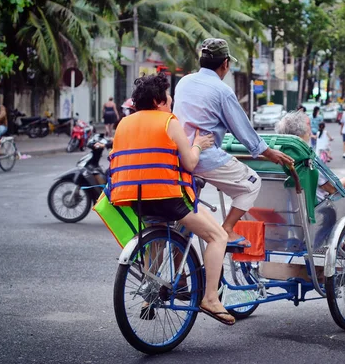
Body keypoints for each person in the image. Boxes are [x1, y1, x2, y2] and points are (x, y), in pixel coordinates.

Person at [110, 73, 236, 326]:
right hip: (168, 197)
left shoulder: (124, 124)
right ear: (158, 101)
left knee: (158, 236)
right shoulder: (168, 121)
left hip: (134, 198)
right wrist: (199, 144)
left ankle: (150, 295)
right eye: (168, 98)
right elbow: (189, 163)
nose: (171, 102)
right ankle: (211, 298)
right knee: (218, 236)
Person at [174, 38, 293, 248]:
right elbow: (242, 130)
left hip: (181, 156)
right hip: (204, 158)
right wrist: (269, 153)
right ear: (225, 64)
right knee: (251, 184)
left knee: (186, 217)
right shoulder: (222, 91)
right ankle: (227, 229)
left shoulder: (183, 82)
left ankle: (180, 276)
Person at [275, 111, 345, 214]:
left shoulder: (276, 158)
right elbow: (333, 189)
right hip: (316, 209)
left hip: (286, 208)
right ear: (303, 133)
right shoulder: (305, 160)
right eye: (308, 127)